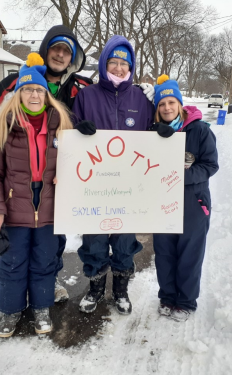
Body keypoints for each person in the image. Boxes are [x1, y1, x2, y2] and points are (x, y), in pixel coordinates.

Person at [0, 25, 92, 304]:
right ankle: (16, 296)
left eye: (67, 51)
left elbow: (112, 99)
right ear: (46, 49)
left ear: (73, 57)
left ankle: (48, 279)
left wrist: (148, 95)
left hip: (62, 177)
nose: (60, 54)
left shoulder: (81, 87)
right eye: (55, 48)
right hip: (21, 175)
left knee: (52, 236)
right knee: (20, 241)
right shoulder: (15, 82)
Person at [0, 53, 73, 337]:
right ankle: (10, 311)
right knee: (12, 263)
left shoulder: (61, 124)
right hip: (15, 209)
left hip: (50, 209)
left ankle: (41, 307)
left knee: (45, 261)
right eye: (28, 90)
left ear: (46, 95)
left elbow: (76, 166)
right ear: (19, 93)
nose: (34, 95)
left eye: (39, 90)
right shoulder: (6, 126)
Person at [72, 35, 155, 315]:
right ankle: (95, 288)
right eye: (114, 61)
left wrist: (162, 134)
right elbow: (69, 137)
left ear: (131, 66)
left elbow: (154, 135)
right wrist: (76, 130)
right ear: (105, 62)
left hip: (129, 188)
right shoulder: (86, 96)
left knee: (123, 242)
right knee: (94, 241)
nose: (119, 68)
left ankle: (120, 289)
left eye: (125, 63)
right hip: (94, 187)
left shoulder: (142, 99)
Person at [152, 75, 219, 322]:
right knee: (164, 252)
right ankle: (167, 297)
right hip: (161, 202)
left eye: (171, 102)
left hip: (193, 202)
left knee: (190, 253)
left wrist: (181, 175)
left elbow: (211, 165)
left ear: (179, 104)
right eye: (161, 104)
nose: (167, 108)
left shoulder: (199, 130)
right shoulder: (153, 133)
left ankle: (186, 301)